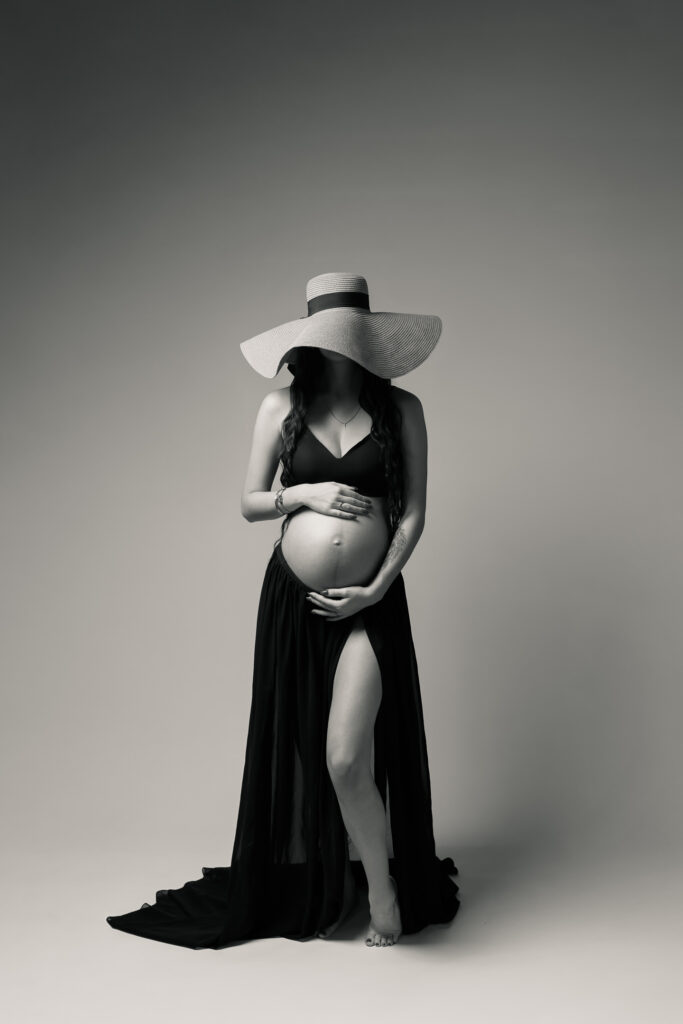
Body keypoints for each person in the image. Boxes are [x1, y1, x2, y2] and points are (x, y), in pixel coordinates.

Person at [106, 272, 460, 949]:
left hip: (369, 602)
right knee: (304, 747)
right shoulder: (279, 408)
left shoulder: (402, 408)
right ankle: (331, 878)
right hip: (293, 603)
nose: (342, 351)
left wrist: (378, 587)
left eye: (352, 340)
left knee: (344, 758)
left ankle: (384, 897)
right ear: (311, 345)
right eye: (331, 341)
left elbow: (411, 512)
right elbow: (249, 502)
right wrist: (307, 494)